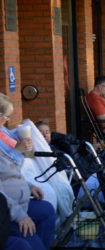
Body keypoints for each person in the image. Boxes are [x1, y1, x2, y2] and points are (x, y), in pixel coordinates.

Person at [0, 93, 56, 250]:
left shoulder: (2, 132)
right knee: (27, 238)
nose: (8, 120)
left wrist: (29, 186)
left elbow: (10, 175)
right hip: (7, 211)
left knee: (47, 210)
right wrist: (21, 216)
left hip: (19, 202)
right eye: (6, 116)